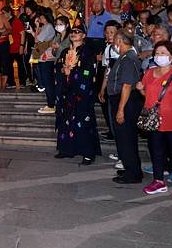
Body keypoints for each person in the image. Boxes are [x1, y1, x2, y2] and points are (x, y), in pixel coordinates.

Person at [136, 41, 172, 199]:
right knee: (156, 152)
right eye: (157, 53)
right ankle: (158, 181)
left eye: (163, 53)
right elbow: (150, 98)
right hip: (154, 121)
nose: (159, 56)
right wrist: (141, 90)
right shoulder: (149, 73)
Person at [54, 24, 101, 165]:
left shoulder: (87, 52)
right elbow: (58, 67)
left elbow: (89, 71)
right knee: (65, 119)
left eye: (78, 32)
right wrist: (63, 71)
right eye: (72, 31)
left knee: (83, 121)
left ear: (83, 36)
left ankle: (88, 153)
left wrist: (73, 73)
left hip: (81, 92)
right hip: (66, 92)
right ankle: (66, 149)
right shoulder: (64, 52)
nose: (74, 34)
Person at [108, 29, 144, 184]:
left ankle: (133, 173)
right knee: (123, 138)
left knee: (127, 138)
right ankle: (129, 167)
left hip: (126, 101)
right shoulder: (124, 57)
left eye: (115, 40)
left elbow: (127, 85)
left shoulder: (129, 58)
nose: (113, 44)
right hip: (122, 99)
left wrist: (121, 109)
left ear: (120, 41)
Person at [98, 20, 122, 142]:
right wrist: (102, 89)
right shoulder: (107, 49)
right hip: (111, 88)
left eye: (112, 32)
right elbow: (107, 71)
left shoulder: (125, 48)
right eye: (107, 32)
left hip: (123, 89)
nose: (109, 35)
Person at [35, 11, 56, 113]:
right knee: (47, 80)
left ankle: (51, 104)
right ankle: (51, 103)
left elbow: (37, 39)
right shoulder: (45, 26)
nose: (40, 19)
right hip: (44, 55)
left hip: (46, 57)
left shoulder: (48, 26)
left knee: (48, 81)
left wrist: (33, 31)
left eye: (42, 17)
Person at [3, 6, 27, 89]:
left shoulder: (16, 21)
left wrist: (21, 46)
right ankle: (11, 82)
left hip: (17, 46)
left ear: (9, 12)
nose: (2, 15)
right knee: (8, 65)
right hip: (8, 47)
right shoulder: (5, 21)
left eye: (4, 13)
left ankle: (23, 82)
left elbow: (23, 33)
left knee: (20, 65)